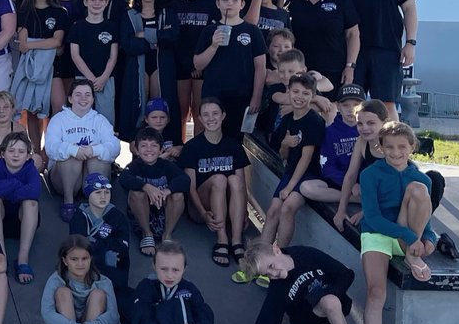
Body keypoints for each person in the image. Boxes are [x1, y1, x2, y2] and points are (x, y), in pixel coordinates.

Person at [360, 122, 438, 324]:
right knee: (375, 292)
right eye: (389, 147)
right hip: (378, 233)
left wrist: (427, 238)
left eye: (402, 147)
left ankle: (412, 253)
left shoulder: (421, 178)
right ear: (380, 148)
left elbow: (426, 221)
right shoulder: (370, 174)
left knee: (417, 189)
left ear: (412, 148)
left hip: (408, 233)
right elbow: (372, 216)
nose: (395, 153)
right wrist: (408, 238)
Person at [229, 242, 364, 324]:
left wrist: (326, 293)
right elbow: (268, 319)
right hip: (308, 317)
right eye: (267, 274)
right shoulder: (278, 288)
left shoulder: (305, 254)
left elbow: (345, 274)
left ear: (277, 250)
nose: (273, 274)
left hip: (332, 307)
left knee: (329, 302)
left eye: (271, 266)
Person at [179, 98, 250, 268]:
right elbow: (190, 187)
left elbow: (242, 185)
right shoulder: (192, 147)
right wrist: (203, 213)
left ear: (223, 116)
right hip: (201, 208)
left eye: (215, 113)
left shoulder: (233, 145)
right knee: (219, 178)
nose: (211, 118)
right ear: (200, 119)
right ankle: (222, 239)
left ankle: (236, 240)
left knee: (234, 179)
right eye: (206, 115)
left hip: (227, 209)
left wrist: (244, 211)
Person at [193, 0, 266, 139]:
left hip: (241, 96)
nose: (229, 4)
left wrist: (256, 97)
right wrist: (213, 46)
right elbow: (198, 64)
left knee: (236, 140)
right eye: (225, 0)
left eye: (234, 0)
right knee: (213, 137)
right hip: (213, 95)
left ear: (242, 4)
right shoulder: (209, 30)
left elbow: (260, 67)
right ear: (218, 4)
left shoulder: (252, 31)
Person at [261, 73, 327, 248]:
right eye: (295, 92)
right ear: (288, 92)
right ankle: (261, 257)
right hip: (291, 172)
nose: (299, 97)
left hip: (310, 175)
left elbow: (306, 159)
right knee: (272, 211)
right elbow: (283, 154)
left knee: (287, 208)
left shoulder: (313, 120)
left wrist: (289, 187)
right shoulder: (288, 119)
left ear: (313, 96)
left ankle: (280, 257)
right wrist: (285, 143)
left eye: (306, 93)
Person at [41, 235, 120, 324]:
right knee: (62, 292)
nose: (80, 264)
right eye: (74, 259)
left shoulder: (103, 281)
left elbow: (113, 315)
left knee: (98, 294)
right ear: (65, 261)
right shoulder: (55, 280)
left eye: (85, 259)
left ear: (91, 259)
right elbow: (47, 313)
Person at [45, 78, 119, 223]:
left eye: (87, 94)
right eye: (78, 94)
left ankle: (98, 201)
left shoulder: (100, 120)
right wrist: (73, 150)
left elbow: (114, 146)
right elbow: (51, 147)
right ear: (70, 98)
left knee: (99, 157)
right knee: (70, 156)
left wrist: (94, 150)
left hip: (90, 175)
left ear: (92, 99)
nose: (83, 98)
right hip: (64, 179)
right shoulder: (58, 119)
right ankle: (68, 202)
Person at [284, 0, 360, 91]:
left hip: (334, 70)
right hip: (300, 70)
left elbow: (353, 35)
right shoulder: (294, 0)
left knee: (330, 110)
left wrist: (350, 66)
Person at [12, 0, 67, 152]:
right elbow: (23, 43)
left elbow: (58, 40)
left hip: (53, 67)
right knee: (33, 111)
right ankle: (36, 152)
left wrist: (35, 44)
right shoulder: (24, 11)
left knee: (57, 109)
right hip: (31, 68)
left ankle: (49, 150)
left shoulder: (59, 12)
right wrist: (48, 44)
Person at [119, 0, 178, 140]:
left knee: (160, 108)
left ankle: (162, 146)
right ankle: (138, 148)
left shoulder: (167, 14)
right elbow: (128, 44)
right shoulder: (129, 15)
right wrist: (157, 38)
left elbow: (172, 38)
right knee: (139, 106)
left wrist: (143, 34)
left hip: (162, 65)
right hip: (138, 65)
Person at [68, 174, 132, 322]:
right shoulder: (79, 217)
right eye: (98, 192)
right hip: (85, 273)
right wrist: (105, 249)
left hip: (114, 276)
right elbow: (77, 248)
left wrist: (95, 244)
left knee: (126, 308)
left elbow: (122, 249)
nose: (103, 196)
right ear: (88, 194)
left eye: (107, 192)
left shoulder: (117, 217)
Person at [0, 132, 42, 285]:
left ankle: (23, 259)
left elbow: (35, 191)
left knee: (31, 202)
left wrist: (7, 192)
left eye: (21, 152)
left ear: (28, 156)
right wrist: (15, 184)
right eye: (11, 151)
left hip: (22, 222)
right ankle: (0, 255)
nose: (16, 155)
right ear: (2, 153)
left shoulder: (30, 169)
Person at [120, 128, 189, 257]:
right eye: (144, 146)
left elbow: (184, 179)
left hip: (163, 214)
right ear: (137, 149)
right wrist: (146, 187)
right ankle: (147, 235)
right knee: (137, 193)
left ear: (161, 149)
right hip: (141, 218)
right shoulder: (134, 166)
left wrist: (168, 190)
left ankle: (167, 235)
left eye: (154, 145)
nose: (149, 149)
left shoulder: (167, 165)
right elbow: (123, 178)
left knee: (178, 195)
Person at [171, 0, 217, 139]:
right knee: (181, 110)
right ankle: (180, 148)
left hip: (202, 65)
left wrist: (201, 65)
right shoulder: (176, 4)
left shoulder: (212, 4)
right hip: (180, 64)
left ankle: (198, 146)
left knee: (199, 109)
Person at [333, 99, 390, 231]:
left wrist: (366, 213)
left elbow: (394, 186)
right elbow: (351, 175)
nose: (364, 128)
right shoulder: (362, 141)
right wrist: (341, 211)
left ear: (384, 123)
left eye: (371, 123)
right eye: (360, 123)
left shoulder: (391, 144)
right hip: (374, 192)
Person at [68, 0, 119, 122]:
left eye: (101, 0)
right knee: (82, 116)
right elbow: (75, 55)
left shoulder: (112, 27)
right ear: (85, 2)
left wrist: (103, 78)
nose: (97, 3)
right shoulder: (77, 27)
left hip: (106, 79)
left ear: (106, 2)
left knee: (106, 117)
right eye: (93, 0)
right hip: (82, 78)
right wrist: (90, 77)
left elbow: (113, 56)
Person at [0, 90, 42, 185]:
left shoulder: (19, 128)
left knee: (37, 158)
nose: (1, 111)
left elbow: (25, 154)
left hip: (17, 166)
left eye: (6, 107)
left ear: (13, 109)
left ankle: (17, 185)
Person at [310, 84, 364, 206]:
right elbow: (328, 167)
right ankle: (351, 199)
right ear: (338, 106)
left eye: (356, 105)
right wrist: (350, 184)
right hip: (339, 182)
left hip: (364, 183)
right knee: (307, 188)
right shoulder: (330, 131)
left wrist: (360, 183)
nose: (351, 109)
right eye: (345, 105)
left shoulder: (368, 129)